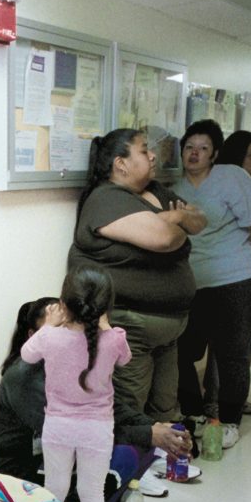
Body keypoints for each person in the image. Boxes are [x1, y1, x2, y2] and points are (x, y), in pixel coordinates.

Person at [68, 128, 205, 425]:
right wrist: (175, 224)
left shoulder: (154, 191)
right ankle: (126, 470)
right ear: (121, 163)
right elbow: (164, 239)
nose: (153, 154)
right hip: (131, 326)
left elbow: (200, 219)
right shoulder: (106, 199)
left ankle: (159, 464)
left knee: (165, 407)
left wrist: (178, 217)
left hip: (167, 327)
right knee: (131, 410)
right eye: (144, 150)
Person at [0, 296, 192, 488]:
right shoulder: (23, 377)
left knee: (144, 444)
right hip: (26, 475)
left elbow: (113, 407)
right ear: (34, 337)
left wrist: (157, 427)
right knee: (126, 452)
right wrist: (148, 435)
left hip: (62, 458)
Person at [171, 119, 251, 449]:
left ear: (214, 153)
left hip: (235, 279)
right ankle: (195, 412)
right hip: (192, 282)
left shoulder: (233, 178)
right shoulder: (174, 186)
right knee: (182, 352)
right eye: (189, 147)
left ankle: (229, 420)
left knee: (232, 355)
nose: (195, 153)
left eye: (203, 148)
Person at [20, 266, 131, 502]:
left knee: (55, 488)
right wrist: (106, 326)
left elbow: (26, 355)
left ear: (64, 304)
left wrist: (49, 326)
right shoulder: (115, 338)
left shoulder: (49, 338)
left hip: (58, 426)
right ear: (106, 307)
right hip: (97, 429)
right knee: (91, 491)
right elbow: (125, 359)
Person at [212, 130, 251, 417]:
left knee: (245, 344)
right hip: (231, 278)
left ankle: (234, 399)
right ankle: (217, 402)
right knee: (229, 348)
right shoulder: (225, 184)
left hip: (250, 276)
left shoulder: (248, 186)